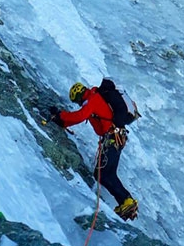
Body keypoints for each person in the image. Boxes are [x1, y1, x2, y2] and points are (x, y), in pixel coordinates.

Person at [50, 81, 139, 221]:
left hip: (112, 139)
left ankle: (126, 201)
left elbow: (80, 116)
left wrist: (61, 116)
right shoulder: (94, 97)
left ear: (79, 97)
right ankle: (125, 202)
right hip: (115, 138)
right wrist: (63, 121)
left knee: (102, 174)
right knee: (105, 173)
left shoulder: (92, 99)